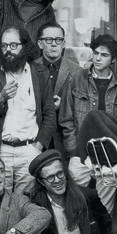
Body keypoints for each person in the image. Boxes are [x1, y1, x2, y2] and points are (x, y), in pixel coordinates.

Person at [0, 26, 56, 194]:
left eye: (13, 45)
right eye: (4, 46)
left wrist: (38, 146)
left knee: (24, 203)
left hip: (30, 150)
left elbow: (49, 114)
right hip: (0, 150)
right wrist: (0, 98)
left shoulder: (40, 73)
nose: (8, 51)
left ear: (24, 46)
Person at [59, 33, 117, 158]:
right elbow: (66, 119)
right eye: (96, 53)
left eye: (104, 55)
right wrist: (73, 151)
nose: (97, 58)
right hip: (81, 149)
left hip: (111, 151)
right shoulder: (76, 79)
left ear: (113, 60)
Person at [34, 21, 81, 154]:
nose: (54, 44)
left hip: (66, 140)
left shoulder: (77, 72)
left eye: (58, 40)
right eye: (48, 40)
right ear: (40, 44)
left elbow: (83, 108)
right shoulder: (29, 70)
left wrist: (63, 106)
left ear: (64, 43)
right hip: (35, 139)